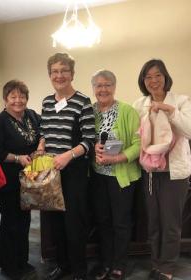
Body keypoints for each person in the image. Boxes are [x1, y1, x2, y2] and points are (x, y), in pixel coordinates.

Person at [37, 53, 95, 280]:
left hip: (74, 172)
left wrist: (68, 156)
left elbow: (89, 140)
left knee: (74, 224)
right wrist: (42, 144)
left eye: (64, 71)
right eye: (54, 71)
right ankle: (63, 265)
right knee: (56, 223)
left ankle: (80, 270)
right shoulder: (46, 102)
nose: (59, 75)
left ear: (72, 73)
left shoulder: (82, 102)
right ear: (50, 75)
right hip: (51, 171)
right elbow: (45, 131)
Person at [133, 59, 191, 280]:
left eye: (158, 75)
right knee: (154, 221)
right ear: (143, 81)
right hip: (149, 172)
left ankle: (167, 268)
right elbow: (132, 135)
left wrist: (170, 110)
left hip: (174, 173)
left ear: (165, 76)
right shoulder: (140, 104)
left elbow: (189, 130)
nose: (153, 80)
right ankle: (156, 264)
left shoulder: (182, 101)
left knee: (171, 223)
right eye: (148, 77)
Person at [90, 70, 141, 280]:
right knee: (102, 220)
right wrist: (93, 147)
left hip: (122, 176)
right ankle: (105, 262)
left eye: (108, 84)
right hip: (97, 176)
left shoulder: (128, 111)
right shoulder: (90, 111)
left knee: (120, 222)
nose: (103, 89)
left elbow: (139, 145)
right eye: (99, 85)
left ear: (114, 86)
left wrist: (117, 158)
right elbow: (84, 138)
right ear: (93, 89)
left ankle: (119, 264)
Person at [0, 80, 41, 280]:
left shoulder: (32, 115)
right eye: (13, 96)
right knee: (11, 221)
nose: (18, 100)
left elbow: (41, 134)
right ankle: (9, 265)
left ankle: (22, 260)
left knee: (25, 220)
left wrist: (40, 148)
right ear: (5, 99)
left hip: (29, 177)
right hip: (9, 178)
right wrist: (18, 158)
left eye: (22, 96)